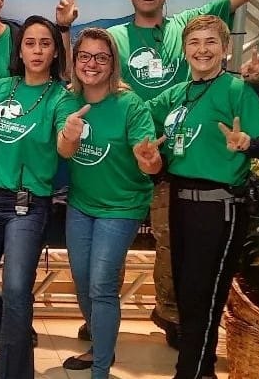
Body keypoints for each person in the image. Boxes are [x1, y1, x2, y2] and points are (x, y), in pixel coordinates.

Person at [107, 0, 259, 344]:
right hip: (128, 154)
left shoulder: (189, 27)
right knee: (111, 237)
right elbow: (85, 70)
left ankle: (176, 321)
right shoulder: (115, 36)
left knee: (171, 247)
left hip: (178, 159)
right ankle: (102, 315)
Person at [147, 16, 259, 379]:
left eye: (210, 42)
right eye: (194, 43)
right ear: (184, 51)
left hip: (219, 206)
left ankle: (189, 372)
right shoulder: (178, 95)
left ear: (226, 49)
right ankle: (198, 369)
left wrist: (247, 143)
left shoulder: (237, 90)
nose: (202, 49)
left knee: (205, 293)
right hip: (179, 201)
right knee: (186, 294)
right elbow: (142, 112)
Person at [0, 15, 78, 379]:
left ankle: (14, 370)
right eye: (30, 43)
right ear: (20, 50)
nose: (37, 50)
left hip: (27, 205)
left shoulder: (61, 97)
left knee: (15, 288)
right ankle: (10, 344)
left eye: (45, 43)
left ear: (55, 51)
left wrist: (71, 134)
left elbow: (65, 149)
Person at [59, 28, 162, 378]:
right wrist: (69, 135)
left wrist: (148, 159)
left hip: (122, 205)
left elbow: (150, 162)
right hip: (82, 203)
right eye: (85, 56)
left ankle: (101, 368)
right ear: (75, 62)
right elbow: (65, 150)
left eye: (101, 57)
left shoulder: (130, 104)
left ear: (112, 63)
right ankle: (99, 343)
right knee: (82, 280)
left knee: (102, 283)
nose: (92, 64)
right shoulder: (68, 102)